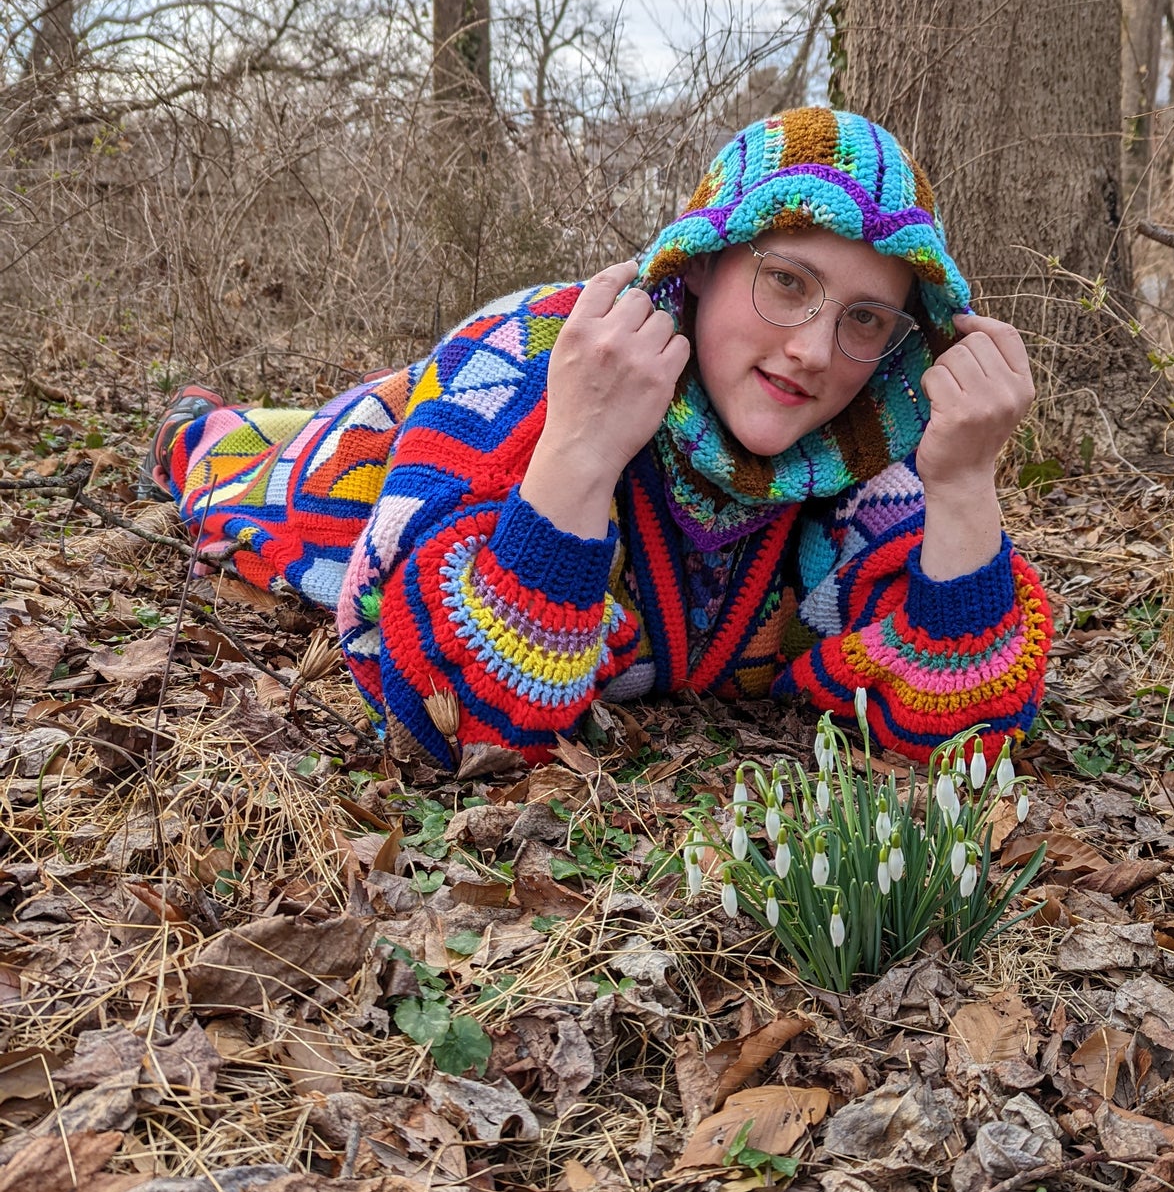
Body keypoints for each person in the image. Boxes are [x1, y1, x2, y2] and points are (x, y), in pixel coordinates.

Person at [151, 108, 1052, 769]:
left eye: (865, 318)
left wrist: (966, 488)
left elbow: (964, 730)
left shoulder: (863, 451)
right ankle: (201, 422)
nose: (814, 350)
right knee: (240, 463)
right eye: (784, 281)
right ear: (700, 261)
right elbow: (445, 719)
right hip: (372, 454)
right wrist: (580, 451)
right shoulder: (545, 350)